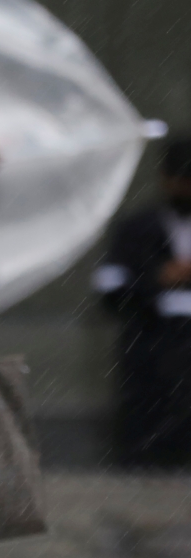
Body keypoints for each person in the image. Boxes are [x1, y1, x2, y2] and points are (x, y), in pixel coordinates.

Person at [94, 137, 191, 468]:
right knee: (152, 434)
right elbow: (110, 289)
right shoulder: (138, 228)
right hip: (153, 346)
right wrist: (158, 278)